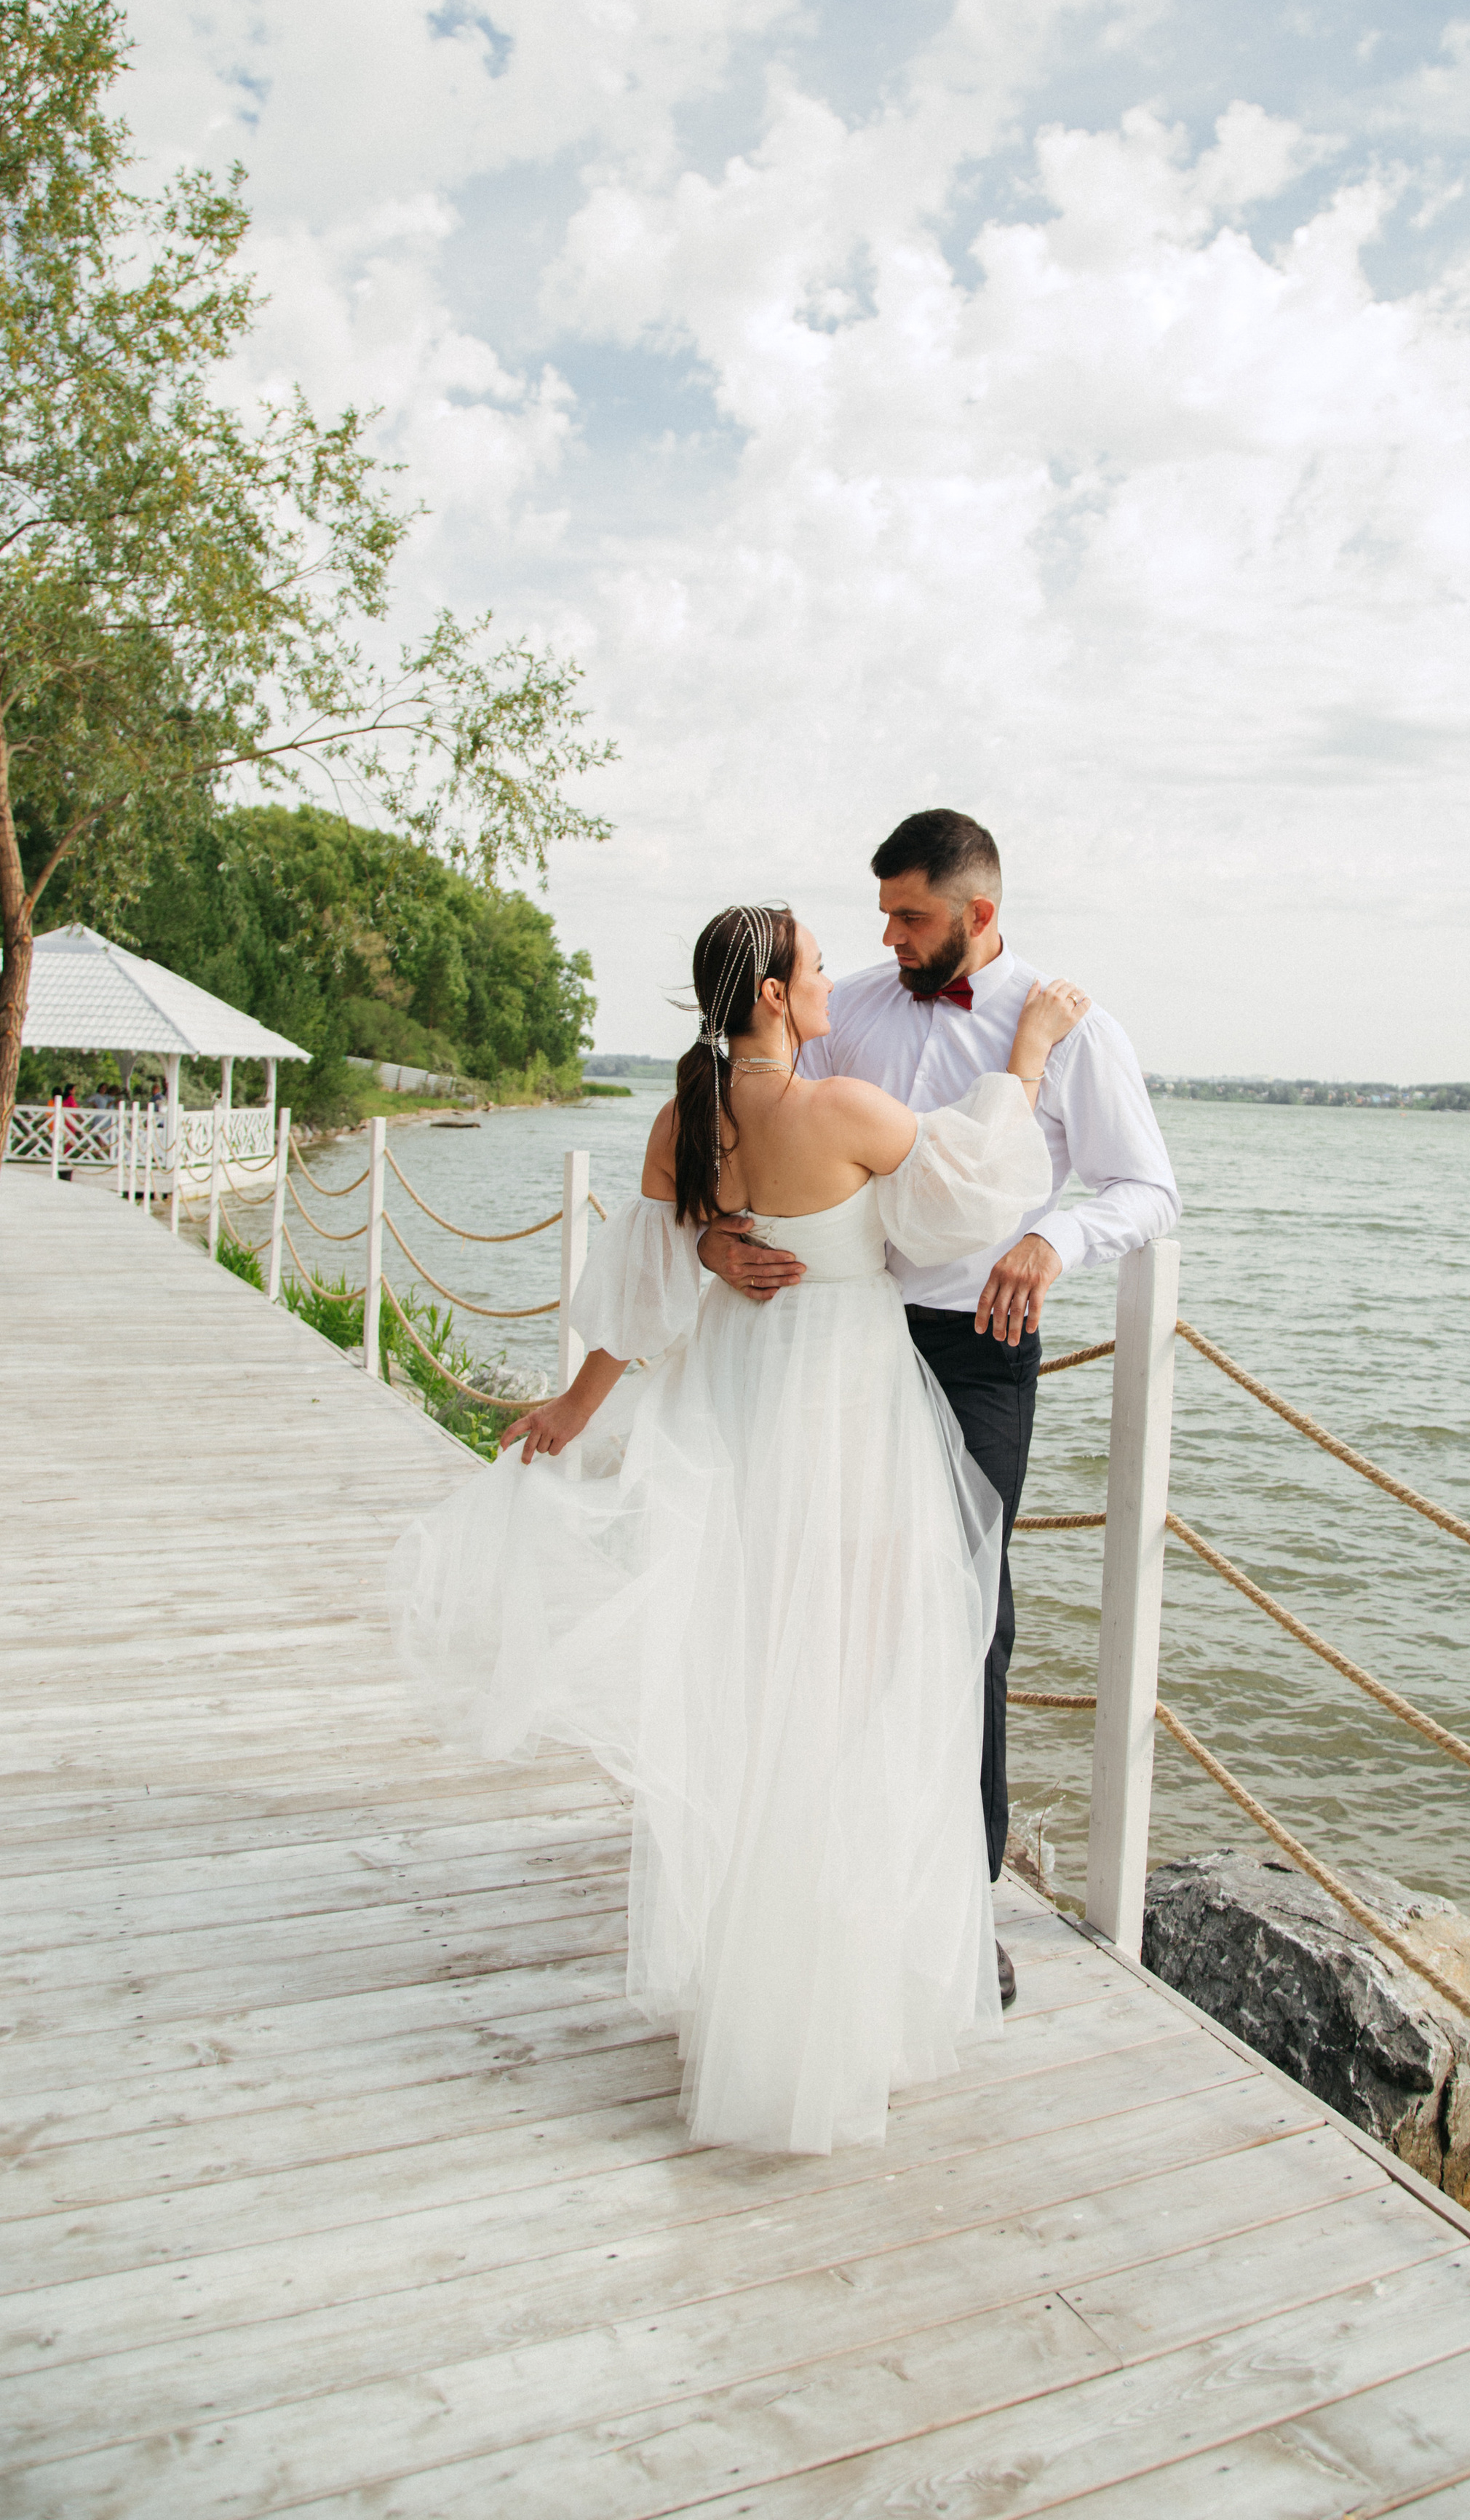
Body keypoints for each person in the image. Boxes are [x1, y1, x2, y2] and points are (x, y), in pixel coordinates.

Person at [391, 901, 1089, 2155]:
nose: (836, 979)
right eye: (819, 967)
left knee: (754, 1687)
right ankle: (829, 2005)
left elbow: (639, 1300)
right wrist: (1028, 1053)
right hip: (844, 1416)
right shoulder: (843, 1114)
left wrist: (573, 1404)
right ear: (772, 996)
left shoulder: (684, 1125)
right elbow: (976, 1183)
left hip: (735, 1411)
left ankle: (747, 1990)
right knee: (862, 1688)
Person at [697, 811, 1180, 2007]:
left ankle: (956, 1915)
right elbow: (744, 1134)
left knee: (963, 1621)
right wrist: (714, 1238)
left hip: (975, 1351)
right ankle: (818, 1884)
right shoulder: (846, 1008)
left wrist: (1053, 1241)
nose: (888, 937)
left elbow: (1147, 1188)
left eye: (910, 916)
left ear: (978, 911)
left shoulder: (1075, 1028)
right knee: (823, 1613)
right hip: (833, 1338)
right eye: (881, 917)